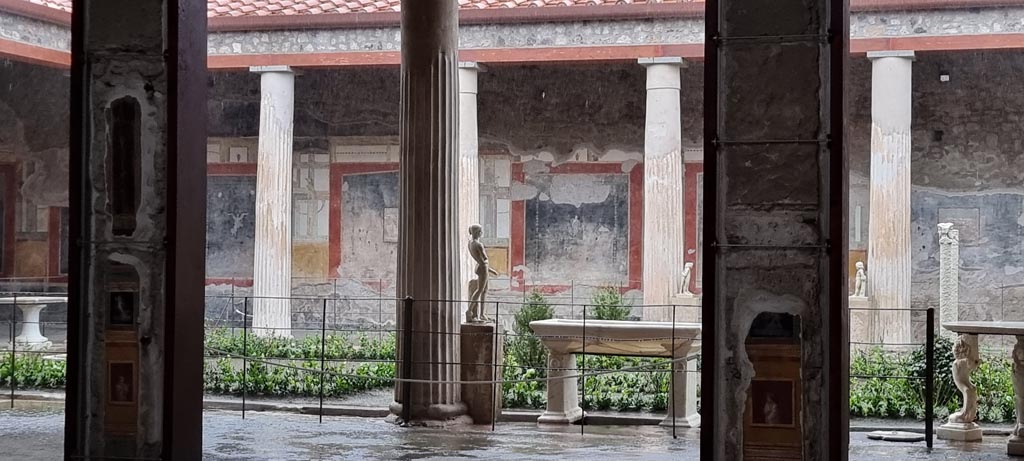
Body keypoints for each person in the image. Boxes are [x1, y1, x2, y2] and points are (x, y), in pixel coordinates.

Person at [467, 224, 498, 323]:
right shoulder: (478, 244)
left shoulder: (470, 243)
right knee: (480, 290)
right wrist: (489, 268)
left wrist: (491, 270)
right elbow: (485, 258)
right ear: (477, 232)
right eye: (480, 231)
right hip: (483, 267)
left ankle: (482, 314)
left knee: (484, 290)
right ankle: (469, 311)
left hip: (480, 266)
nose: (481, 233)